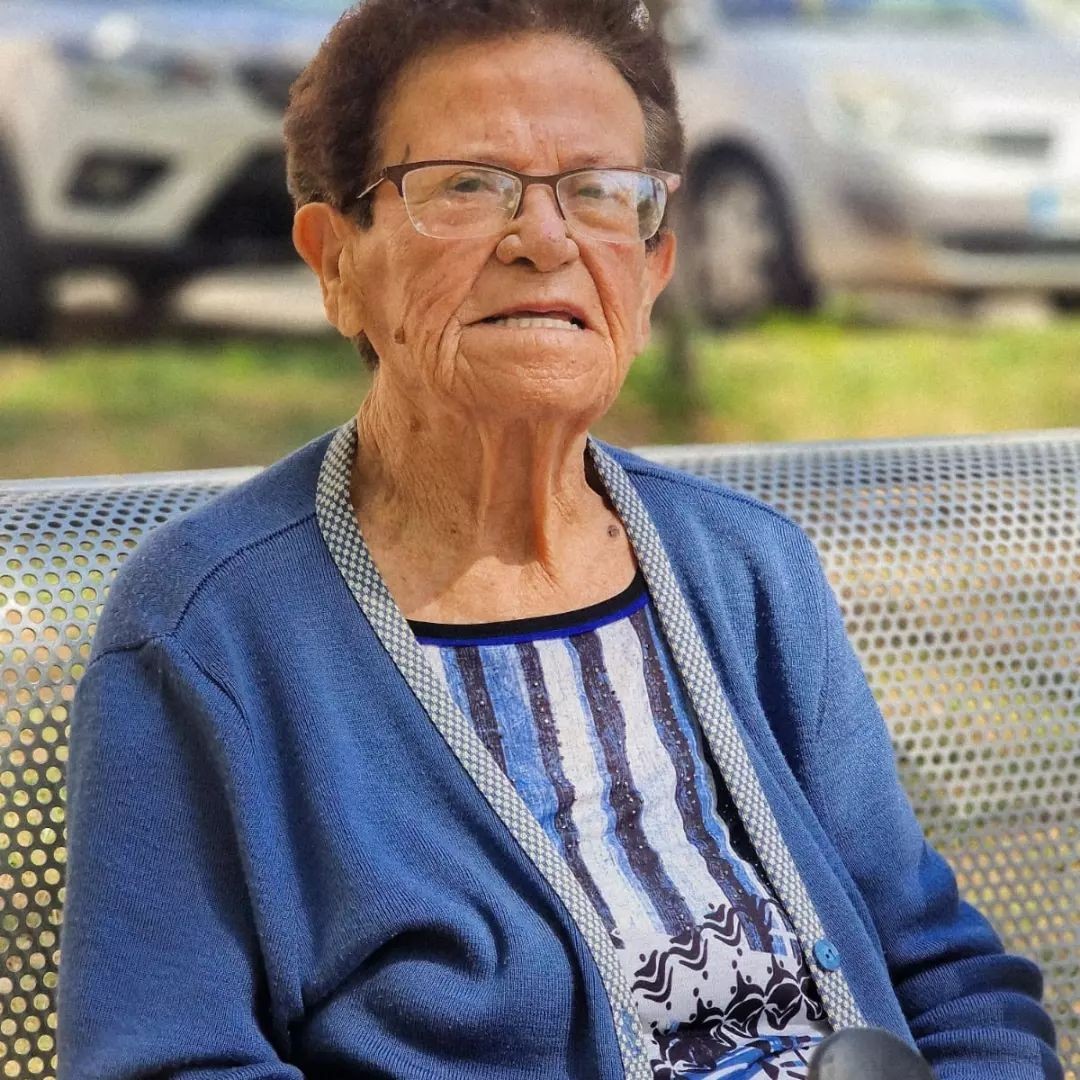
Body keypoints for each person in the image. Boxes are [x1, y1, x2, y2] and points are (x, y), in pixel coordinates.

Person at [57, 1, 1061, 1077]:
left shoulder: (751, 571)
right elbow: (170, 1058)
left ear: (654, 267)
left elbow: (946, 976)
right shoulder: (212, 632)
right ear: (335, 262)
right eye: (465, 185)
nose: (545, 240)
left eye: (599, 192)